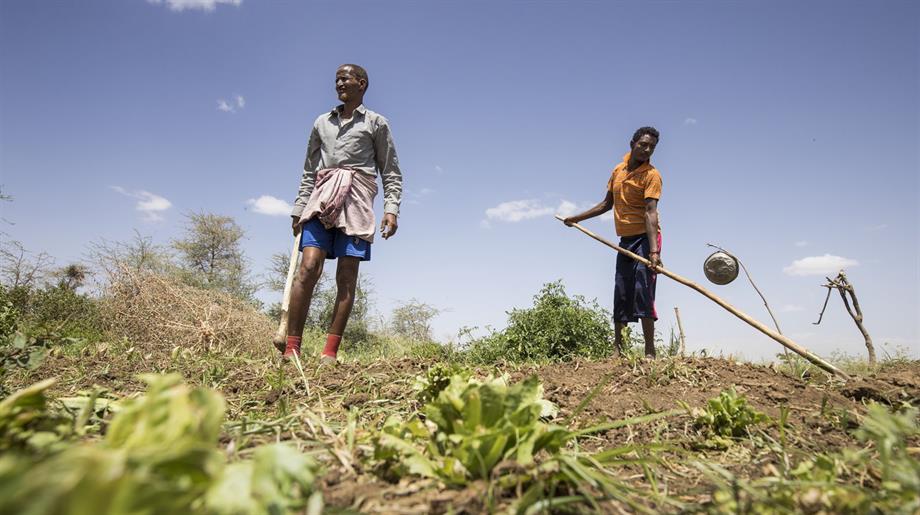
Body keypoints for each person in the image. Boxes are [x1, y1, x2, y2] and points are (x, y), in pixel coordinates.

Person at [283, 64, 403, 363]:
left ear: (361, 84)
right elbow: (309, 171)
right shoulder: (322, 122)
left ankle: (329, 353)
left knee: (347, 276)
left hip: (358, 200)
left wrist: (391, 209)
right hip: (321, 198)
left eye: (345, 78)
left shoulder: (376, 123)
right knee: (308, 267)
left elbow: (390, 171)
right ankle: (291, 349)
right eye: (336, 78)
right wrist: (299, 207)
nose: (339, 83)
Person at [564, 127, 663, 357]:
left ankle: (650, 351)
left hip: (646, 239)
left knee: (643, 289)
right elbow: (606, 204)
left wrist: (654, 252)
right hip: (625, 240)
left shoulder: (652, 175)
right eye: (643, 144)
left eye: (652, 147)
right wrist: (576, 218)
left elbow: (650, 212)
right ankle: (617, 349)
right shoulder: (618, 171)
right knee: (621, 290)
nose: (647, 149)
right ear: (632, 143)